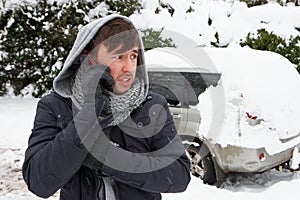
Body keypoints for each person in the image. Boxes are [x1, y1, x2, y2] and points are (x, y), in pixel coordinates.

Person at [22, 14, 191, 200]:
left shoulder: (152, 105)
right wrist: (87, 117)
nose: (129, 67)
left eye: (133, 56)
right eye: (119, 56)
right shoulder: (56, 106)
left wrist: (109, 159)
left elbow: (179, 175)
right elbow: (38, 182)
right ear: (90, 59)